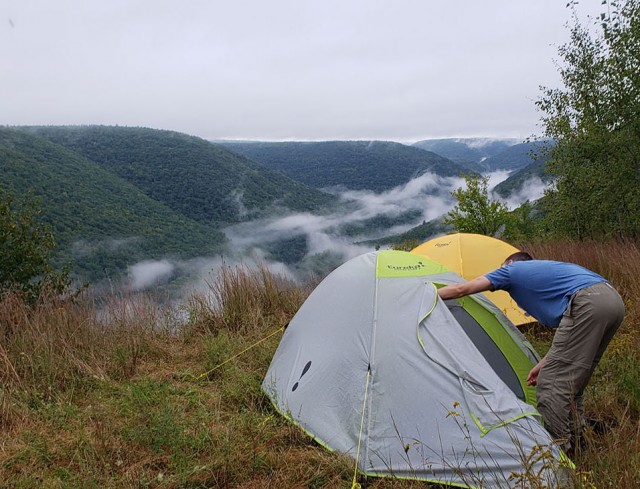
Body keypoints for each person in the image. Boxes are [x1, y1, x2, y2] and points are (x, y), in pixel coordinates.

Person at [437, 251, 625, 453]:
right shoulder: (550, 273)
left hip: (588, 303)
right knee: (573, 380)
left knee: (552, 385)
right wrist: (543, 363)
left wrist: (423, 294)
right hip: (612, 301)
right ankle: (580, 441)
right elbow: (568, 338)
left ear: (509, 262)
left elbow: (461, 289)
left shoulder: (511, 270)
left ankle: (561, 452)